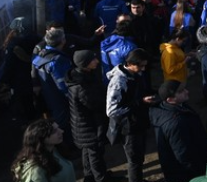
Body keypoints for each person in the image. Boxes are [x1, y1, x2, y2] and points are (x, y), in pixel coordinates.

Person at [106, 48, 156, 182]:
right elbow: (111, 110)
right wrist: (139, 102)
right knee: (134, 160)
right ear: (131, 64)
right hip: (129, 128)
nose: (143, 69)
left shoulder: (134, 74)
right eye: (141, 66)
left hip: (138, 122)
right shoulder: (118, 81)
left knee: (139, 157)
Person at [149, 80, 207, 182]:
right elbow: (183, 154)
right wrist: (199, 172)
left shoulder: (177, 107)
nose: (187, 91)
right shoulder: (175, 122)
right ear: (170, 99)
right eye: (181, 91)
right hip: (186, 174)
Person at [65, 50, 107, 182]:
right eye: (93, 60)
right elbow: (95, 104)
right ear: (85, 64)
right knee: (95, 153)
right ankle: (100, 178)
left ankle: (89, 176)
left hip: (83, 126)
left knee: (88, 151)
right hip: (88, 126)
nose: (97, 61)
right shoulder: (82, 86)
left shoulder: (82, 77)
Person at [32, 28, 73, 145]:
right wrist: (70, 96)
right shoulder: (57, 59)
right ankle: (66, 146)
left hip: (47, 95)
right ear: (62, 41)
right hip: (58, 98)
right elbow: (62, 83)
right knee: (63, 123)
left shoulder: (41, 54)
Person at [12, 119, 76, 182]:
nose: (61, 131)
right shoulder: (36, 170)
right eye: (54, 131)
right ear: (41, 137)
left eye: (58, 128)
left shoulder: (55, 150)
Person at [100, 17, 137, 83]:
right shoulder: (129, 47)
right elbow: (134, 66)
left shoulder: (105, 42)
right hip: (123, 81)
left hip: (106, 78)